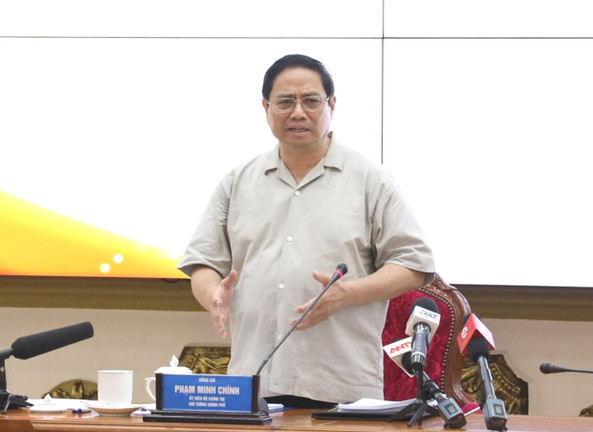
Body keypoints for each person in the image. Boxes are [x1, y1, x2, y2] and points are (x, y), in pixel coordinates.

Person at [178, 54, 435, 408]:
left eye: (311, 101)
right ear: (266, 107)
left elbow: (414, 264)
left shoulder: (370, 180)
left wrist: (347, 294)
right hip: (254, 384)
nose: (298, 113)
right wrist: (212, 295)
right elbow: (204, 262)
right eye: (285, 101)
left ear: (332, 105)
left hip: (339, 388)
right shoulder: (239, 181)